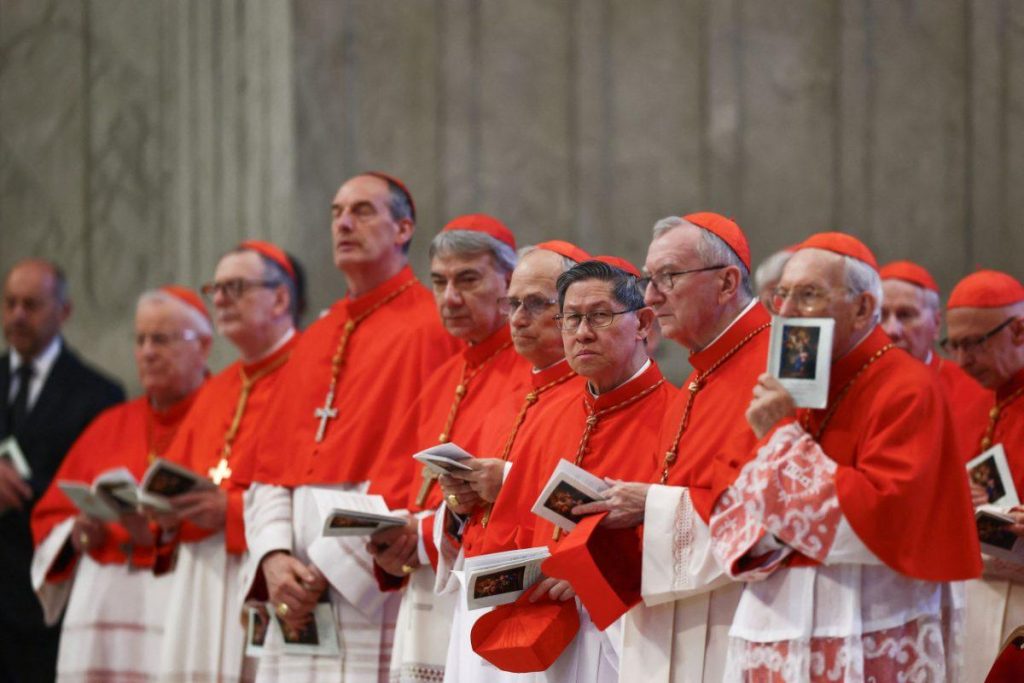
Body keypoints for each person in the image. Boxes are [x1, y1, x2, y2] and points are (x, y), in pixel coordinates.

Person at [709, 233, 981, 681]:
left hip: (870, 616)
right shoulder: (789, 376)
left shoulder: (907, 386)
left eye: (808, 295)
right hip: (777, 614)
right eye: (781, 295)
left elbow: (884, 514)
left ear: (862, 307)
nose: (787, 311)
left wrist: (781, 437)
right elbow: (730, 492)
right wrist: (775, 530)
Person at [242, 173, 461, 683]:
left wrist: (330, 568)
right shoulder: (316, 335)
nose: (343, 223)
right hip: (293, 581)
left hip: (371, 580)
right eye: (337, 212)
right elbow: (269, 467)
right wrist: (274, 557)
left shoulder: (433, 328)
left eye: (362, 211)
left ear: (403, 228)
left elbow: (431, 468)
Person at [572, 213, 771, 682]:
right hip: (684, 618)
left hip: (739, 617)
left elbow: (773, 514)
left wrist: (650, 505)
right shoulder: (701, 374)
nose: (651, 295)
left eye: (669, 277)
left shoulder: (776, 367)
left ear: (727, 283)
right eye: (650, 278)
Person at [481, 258, 677, 682]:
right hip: (542, 635)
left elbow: (683, 530)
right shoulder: (549, 416)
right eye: (571, 318)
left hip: (631, 635)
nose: (583, 333)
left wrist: (593, 572)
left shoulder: (677, 417)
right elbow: (510, 530)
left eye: (600, 316)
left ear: (643, 323)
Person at [368, 214, 530, 683]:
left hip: (480, 590)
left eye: (467, 279)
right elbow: (399, 483)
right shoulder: (445, 377)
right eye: (439, 282)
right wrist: (388, 540)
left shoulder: (528, 372)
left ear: (509, 282)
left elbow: (511, 489)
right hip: (424, 585)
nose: (450, 297)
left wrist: (422, 535)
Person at [29, 286, 211, 682]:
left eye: (161, 339)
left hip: (184, 604)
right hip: (105, 615)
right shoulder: (108, 425)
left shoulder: (224, 416)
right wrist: (77, 534)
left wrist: (161, 534)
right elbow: (50, 515)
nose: (147, 352)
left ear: (203, 346)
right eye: (140, 339)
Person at [434, 240, 591, 682]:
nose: (518, 319)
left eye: (536, 304)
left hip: (544, 609)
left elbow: (604, 502)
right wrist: (459, 503)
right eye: (513, 304)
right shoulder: (507, 401)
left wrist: (507, 480)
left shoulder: (591, 397)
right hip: (479, 602)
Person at [157, 242, 303, 683]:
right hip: (201, 575)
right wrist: (164, 511)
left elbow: (316, 483)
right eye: (215, 289)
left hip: (266, 569)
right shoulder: (217, 388)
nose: (219, 300)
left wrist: (233, 512)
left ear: (279, 298)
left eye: (235, 288)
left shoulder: (310, 374)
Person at [1, 258, 124, 682]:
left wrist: (22, 489)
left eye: (31, 305)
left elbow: (99, 491)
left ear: (64, 310)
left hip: (45, 596)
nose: (18, 315)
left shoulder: (98, 393)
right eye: (10, 303)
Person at [944, 269, 1024, 681]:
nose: (962, 361)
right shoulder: (964, 396)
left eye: (974, 343)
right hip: (971, 595)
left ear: (1019, 330)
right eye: (954, 345)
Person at [880, 260, 991, 456]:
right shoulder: (850, 385)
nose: (891, 330)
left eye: (905, 315)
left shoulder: (975, 390)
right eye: (881, 316)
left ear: (937, 324)